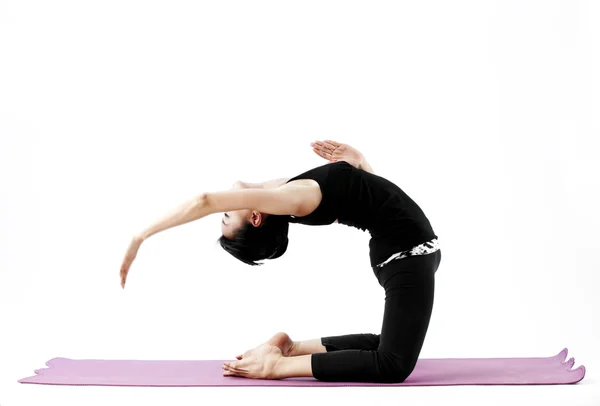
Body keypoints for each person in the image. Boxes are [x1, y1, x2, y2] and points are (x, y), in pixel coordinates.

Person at [119, 140, 441, 383]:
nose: (225, 207)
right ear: (256, 215)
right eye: (228, 214)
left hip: (405, 254)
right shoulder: (290, 199)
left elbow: (377, 201)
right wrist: (141, 236)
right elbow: (205, 201)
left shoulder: (286, 191)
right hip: (408, 256)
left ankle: (292, 349)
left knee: (385, 346)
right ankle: (278, 365)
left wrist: (362, 166)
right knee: (392, 364)